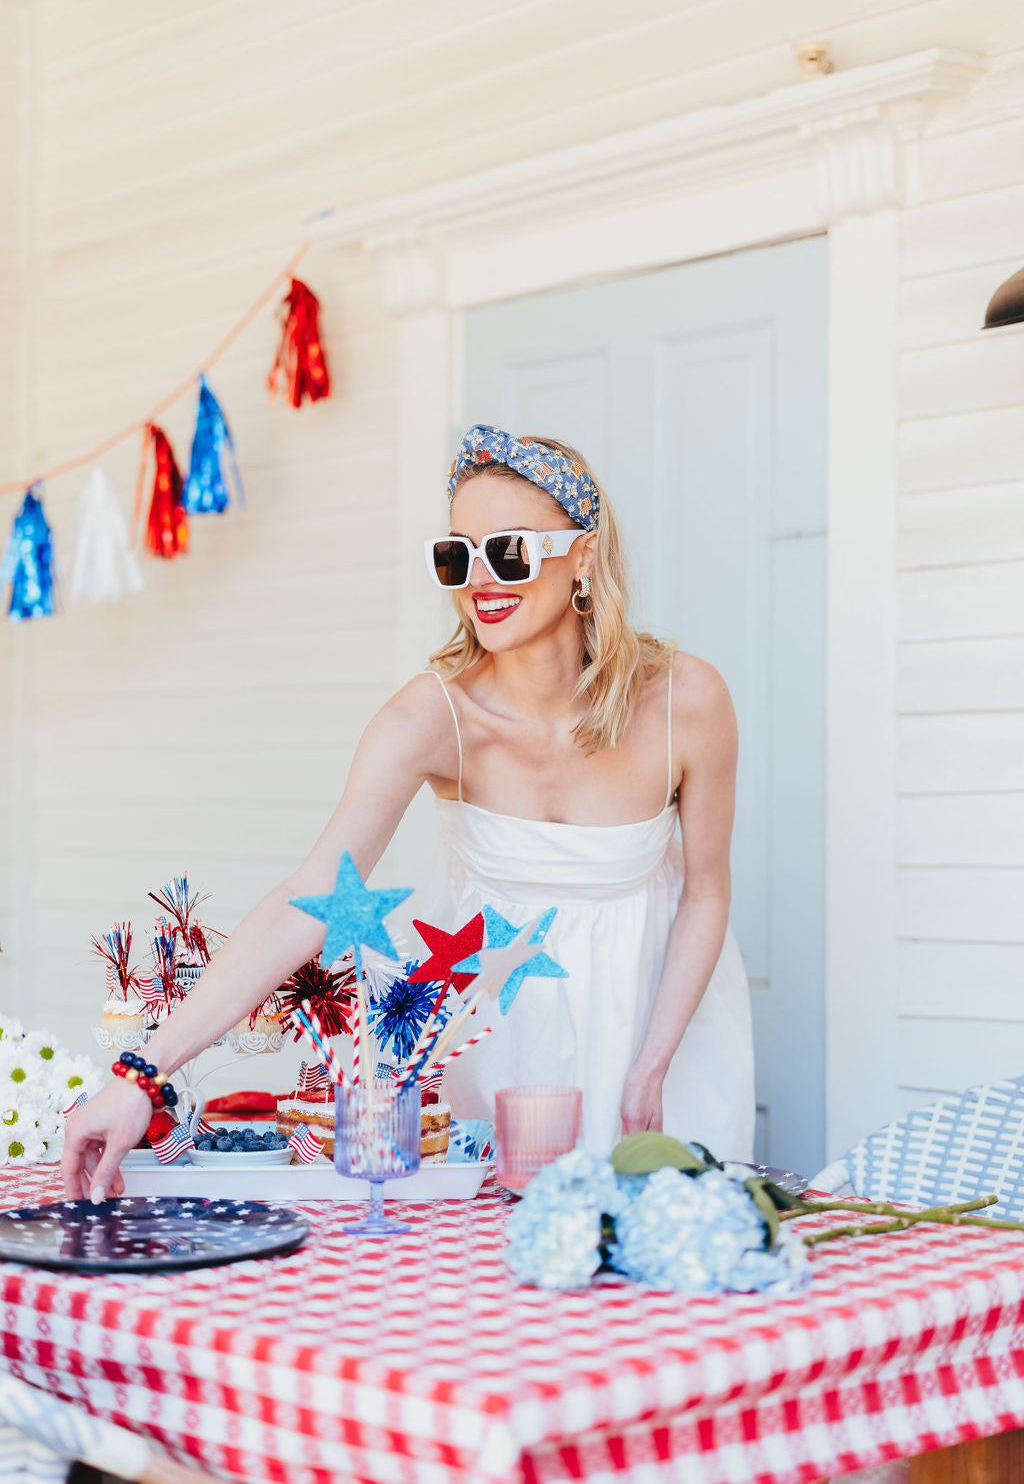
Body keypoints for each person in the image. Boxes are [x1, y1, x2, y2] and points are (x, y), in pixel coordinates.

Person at [62, 424, 754, 1205]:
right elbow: (310, 898)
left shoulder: (688, 702)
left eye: (512, 551)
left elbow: (705, 891)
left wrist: (653, 1062)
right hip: (504, 1036)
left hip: (663, 1023)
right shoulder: (430, 720)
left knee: (675, 1277)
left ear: (583, 556)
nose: (481, 581)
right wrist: (141, 1073)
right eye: (457, 556)